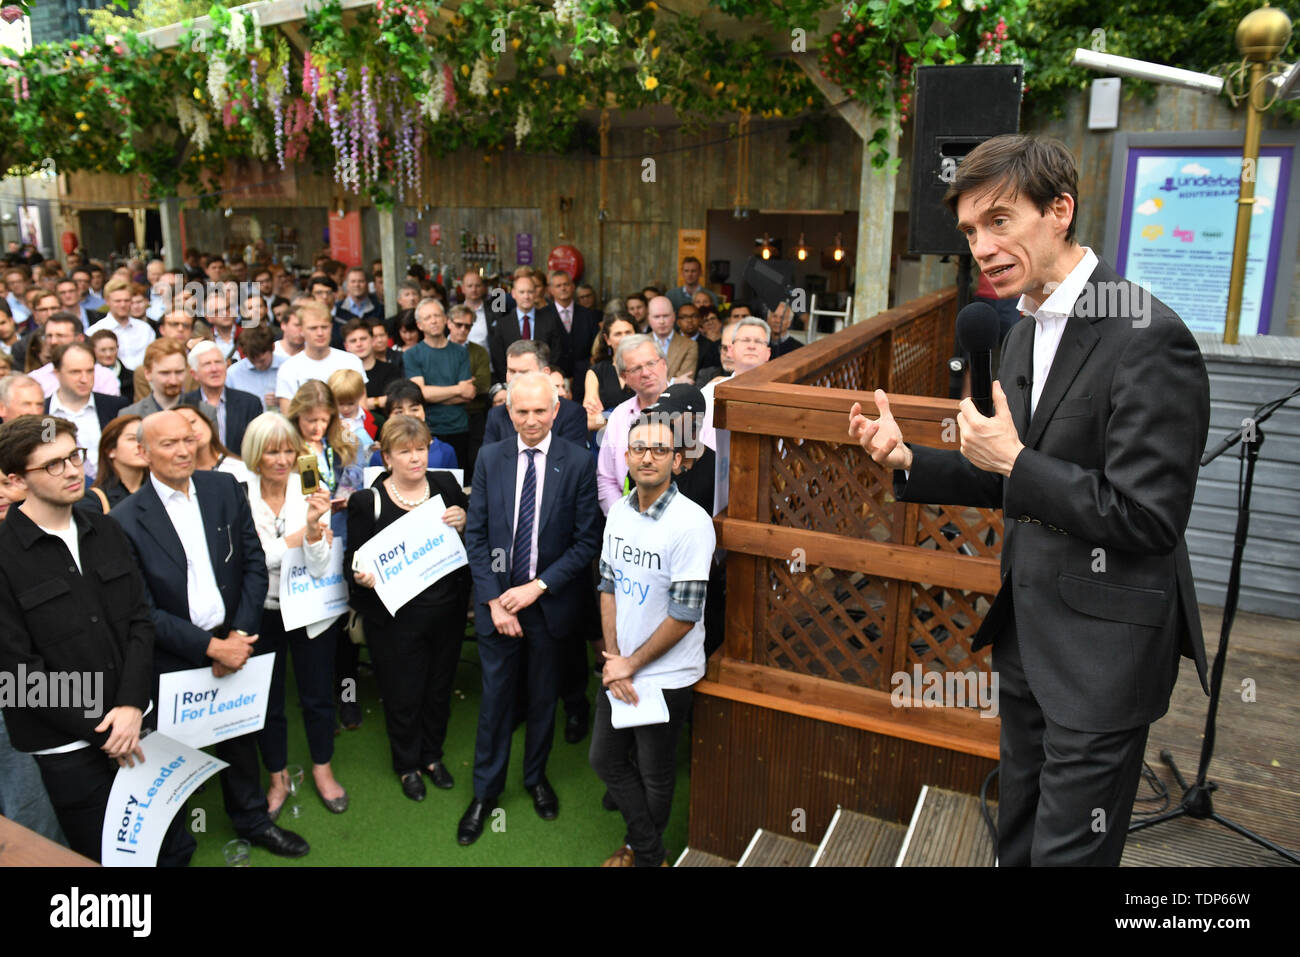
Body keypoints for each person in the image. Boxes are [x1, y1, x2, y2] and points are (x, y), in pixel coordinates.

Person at [847, 133, 1211, 867]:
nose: (982, 246)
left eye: (1001, 220)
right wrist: (911, 458)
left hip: (1105, 657)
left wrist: (1015, 458)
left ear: (1060, 212)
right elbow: (1003, 475)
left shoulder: (1149, 336)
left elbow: (1148, 516)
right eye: (972, 230)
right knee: (1017, 841)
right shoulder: (1015, 337)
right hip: (1027, 643)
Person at [111, 410, 310, 861]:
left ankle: (253, 820)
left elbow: (254, 565)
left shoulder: (224, 488)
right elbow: (140, 610)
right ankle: (174, 845)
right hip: (173, 656)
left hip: (236, 643)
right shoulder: (124, 519)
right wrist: (210, 647)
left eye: (187, 439)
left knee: (239, 740)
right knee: (171, 754)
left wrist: (237, 638)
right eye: (168, 444)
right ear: (143, 453)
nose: (183, 450)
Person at [0, 414, 170, 863]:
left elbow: (139, 621)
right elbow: (17, 672)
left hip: (138, 724)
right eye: (53, 464)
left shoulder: (107, 529)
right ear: (17, 480)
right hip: (69, 749)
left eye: (75, 456)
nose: (74, 470)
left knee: (167, 844)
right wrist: (106, 726)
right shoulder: (3, 557)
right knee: (103, 858)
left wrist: (131, 707)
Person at [459, 372, 601, 845]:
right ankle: (485, 793)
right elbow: (475, 535)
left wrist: (537, 588)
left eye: (541, 410)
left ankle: (535, 778)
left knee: (543, 700)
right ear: (508, 412)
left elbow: (585, 544)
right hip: (498, 607)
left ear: (556, 410)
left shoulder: (579, 463)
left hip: (549, 606)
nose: (532, 419)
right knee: (496, 702)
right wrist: (495, 602)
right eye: (521, 411)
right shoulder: (489, 457)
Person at [591, 412, 715, 867]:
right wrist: (613, 658)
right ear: (625, 457)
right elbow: (607, 586)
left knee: (656, 772)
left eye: (660, 450)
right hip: (621, 666)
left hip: (667, 675)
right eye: (639, 449)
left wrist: (631, 665)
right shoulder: (620, 512)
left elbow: (685, 614)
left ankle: (641, 855)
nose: (648, 457)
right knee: (605, 760)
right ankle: (650, 851)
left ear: (677, 461)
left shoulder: (691, 523)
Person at [345, 415, 470, 801]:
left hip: (447, 615)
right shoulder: (368, 501)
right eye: (405, 451)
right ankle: (407, 766)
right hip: (395, 622)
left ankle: (432, 756)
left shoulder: (447, 485)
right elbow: (352, 562)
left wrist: (464, 519)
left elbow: (473, 535)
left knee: (438, 689)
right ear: (387, 456)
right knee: (403, 694)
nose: (416, 458)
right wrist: (361, 574)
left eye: (421, 449)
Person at [242, 412, 349, 816]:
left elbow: (320, 564)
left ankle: (323, 769)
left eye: (289, 449)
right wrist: (297, 537)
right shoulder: (237, 491)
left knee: (318, 695)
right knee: (268, 701)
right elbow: (250, 560)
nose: (283, 458)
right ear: (255, 454)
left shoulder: (308, 483)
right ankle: (277, 777)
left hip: (310, 608)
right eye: (272, 451)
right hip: (261, 611)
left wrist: (315, 532)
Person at [596, 335, 670, 514]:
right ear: (624, 377)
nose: (645, 373)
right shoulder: (618, 416)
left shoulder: (691, 410)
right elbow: (606, 479)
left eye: (651, 363)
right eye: (636, 368)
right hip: (627, 520)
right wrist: (623, 519)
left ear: (664, 364)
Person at [42, 343, 130, 484]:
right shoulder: (42, 412)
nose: (84, 379)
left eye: (90, 371)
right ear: (57, 373)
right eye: (75, 372)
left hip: (112, 490)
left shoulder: (115, 407)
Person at [403, 297, 473, 468]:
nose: (433, 321)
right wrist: (457, 389)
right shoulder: (412, 354)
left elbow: (469, 393)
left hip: (459, 427)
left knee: (457, 485)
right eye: (427, 318)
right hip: (428, 429)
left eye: (437, 315)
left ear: (445, 320)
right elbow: (420, 394)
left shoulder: (461, 352)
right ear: (419, 325)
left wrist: (432, 393)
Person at [484, 340, 588, 448]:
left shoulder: (572, 414)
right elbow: (489, 461)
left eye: (524, 372)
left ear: (545, 373)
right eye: (511, 371)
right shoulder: (496, 414)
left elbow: (572, 461)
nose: (515, 379)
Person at [275, 300, 367, 414]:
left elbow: (363, 409)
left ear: (331, 327)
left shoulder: (351, 361)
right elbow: (288, 415)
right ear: (301, 330)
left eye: (324, 327)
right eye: (313, 328)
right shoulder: (288, 368)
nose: (320, 333)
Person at [181, 340, 262, 455]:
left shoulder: (250, 403)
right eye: (207, 364)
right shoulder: (184, 405)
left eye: (218, 362)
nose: (214, 369)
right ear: (194, 374)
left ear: (226, 366)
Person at [488, 269, 565, 387]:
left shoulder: (550, 320)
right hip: (513, 386)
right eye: (522, 292)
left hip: (543, 384)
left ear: (535, 293)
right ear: (513, 294)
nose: (526, 296)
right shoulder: (503, 324)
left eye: (530, 292)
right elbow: (498, 360)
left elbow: (556, 354)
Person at [368, 380, 458, 470]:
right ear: (389, 417)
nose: (408, 415)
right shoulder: (379, 457)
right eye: (399, 412)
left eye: (414, 409)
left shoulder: (446, 451)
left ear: (424, 411)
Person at [29, 313, 122, 397]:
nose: (53, 341)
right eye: (49, 336)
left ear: (79, 339)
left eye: (60, 336)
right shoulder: (36, 379)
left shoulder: (104, 377)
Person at [539, 268, 602, 386]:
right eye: (558, 286)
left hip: (584, 379)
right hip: (551, 380)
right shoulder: (542, 316)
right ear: (551, 290)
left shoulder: (588, 315)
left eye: (566, 284)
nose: (563, 288)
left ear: (573, 286)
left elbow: (596, 348)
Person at [582, 314, 637, 433]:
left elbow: (655, 414)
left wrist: (605, 417)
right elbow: (591, 421)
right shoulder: (596, 372)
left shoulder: (647, 368)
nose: (624, 338)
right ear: (607, 340)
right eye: (618, 334)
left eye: (628, 332)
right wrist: (631, 419)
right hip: (607, 443)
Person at [87, 278, 156, 371]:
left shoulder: (145, 329)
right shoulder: (94, 331)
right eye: (118, 301)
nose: (123, 305)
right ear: (107, 301)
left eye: (126, 300)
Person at [341, 318, 399, 428]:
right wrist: (379, 401)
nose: (359, 344)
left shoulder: (391, 370)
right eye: (353, 341)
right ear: (346, 346)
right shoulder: (341, 377)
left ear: (372, 341)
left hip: (390, 428)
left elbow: (395, 401)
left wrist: (361, 404)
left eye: (363, 339)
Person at [88, 414, 146, 511]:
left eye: (144, 439)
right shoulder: (94, 499)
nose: (140, 445)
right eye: (132, 439)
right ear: (110, 450)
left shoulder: (163, 491)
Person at [123, 337, 189, 418]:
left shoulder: (204, 411)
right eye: (165, 373)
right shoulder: (130, 416)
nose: (173, 381)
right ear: (148, 373)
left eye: (179, 372)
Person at [225, 323, 284, 411]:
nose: (258, 365)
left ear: (273, 347)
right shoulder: (233, 374)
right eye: (252, 361)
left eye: (262, 361)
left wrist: (283, 401)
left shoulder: (288, 367)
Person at [646, 295, 697, 384]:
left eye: (665, 316)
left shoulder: (689, 345)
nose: (662, 321)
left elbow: (685, 381)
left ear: (674, 316)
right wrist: (674, 381)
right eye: (657, 317)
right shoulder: (640, 344)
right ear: (649, 319)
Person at [676, 303, 720, 375]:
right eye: (684, 317)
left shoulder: (710, 347)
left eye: (694, 316)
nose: (689, 320)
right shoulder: (669, 342)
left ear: (700, 320)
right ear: (678, 322)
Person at [89, 329, 134, 397]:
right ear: (93, 350)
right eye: (103, 350)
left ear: (117, 348)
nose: (108, 354)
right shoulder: (88, 378)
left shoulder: (132, 377)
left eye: (112, 349)